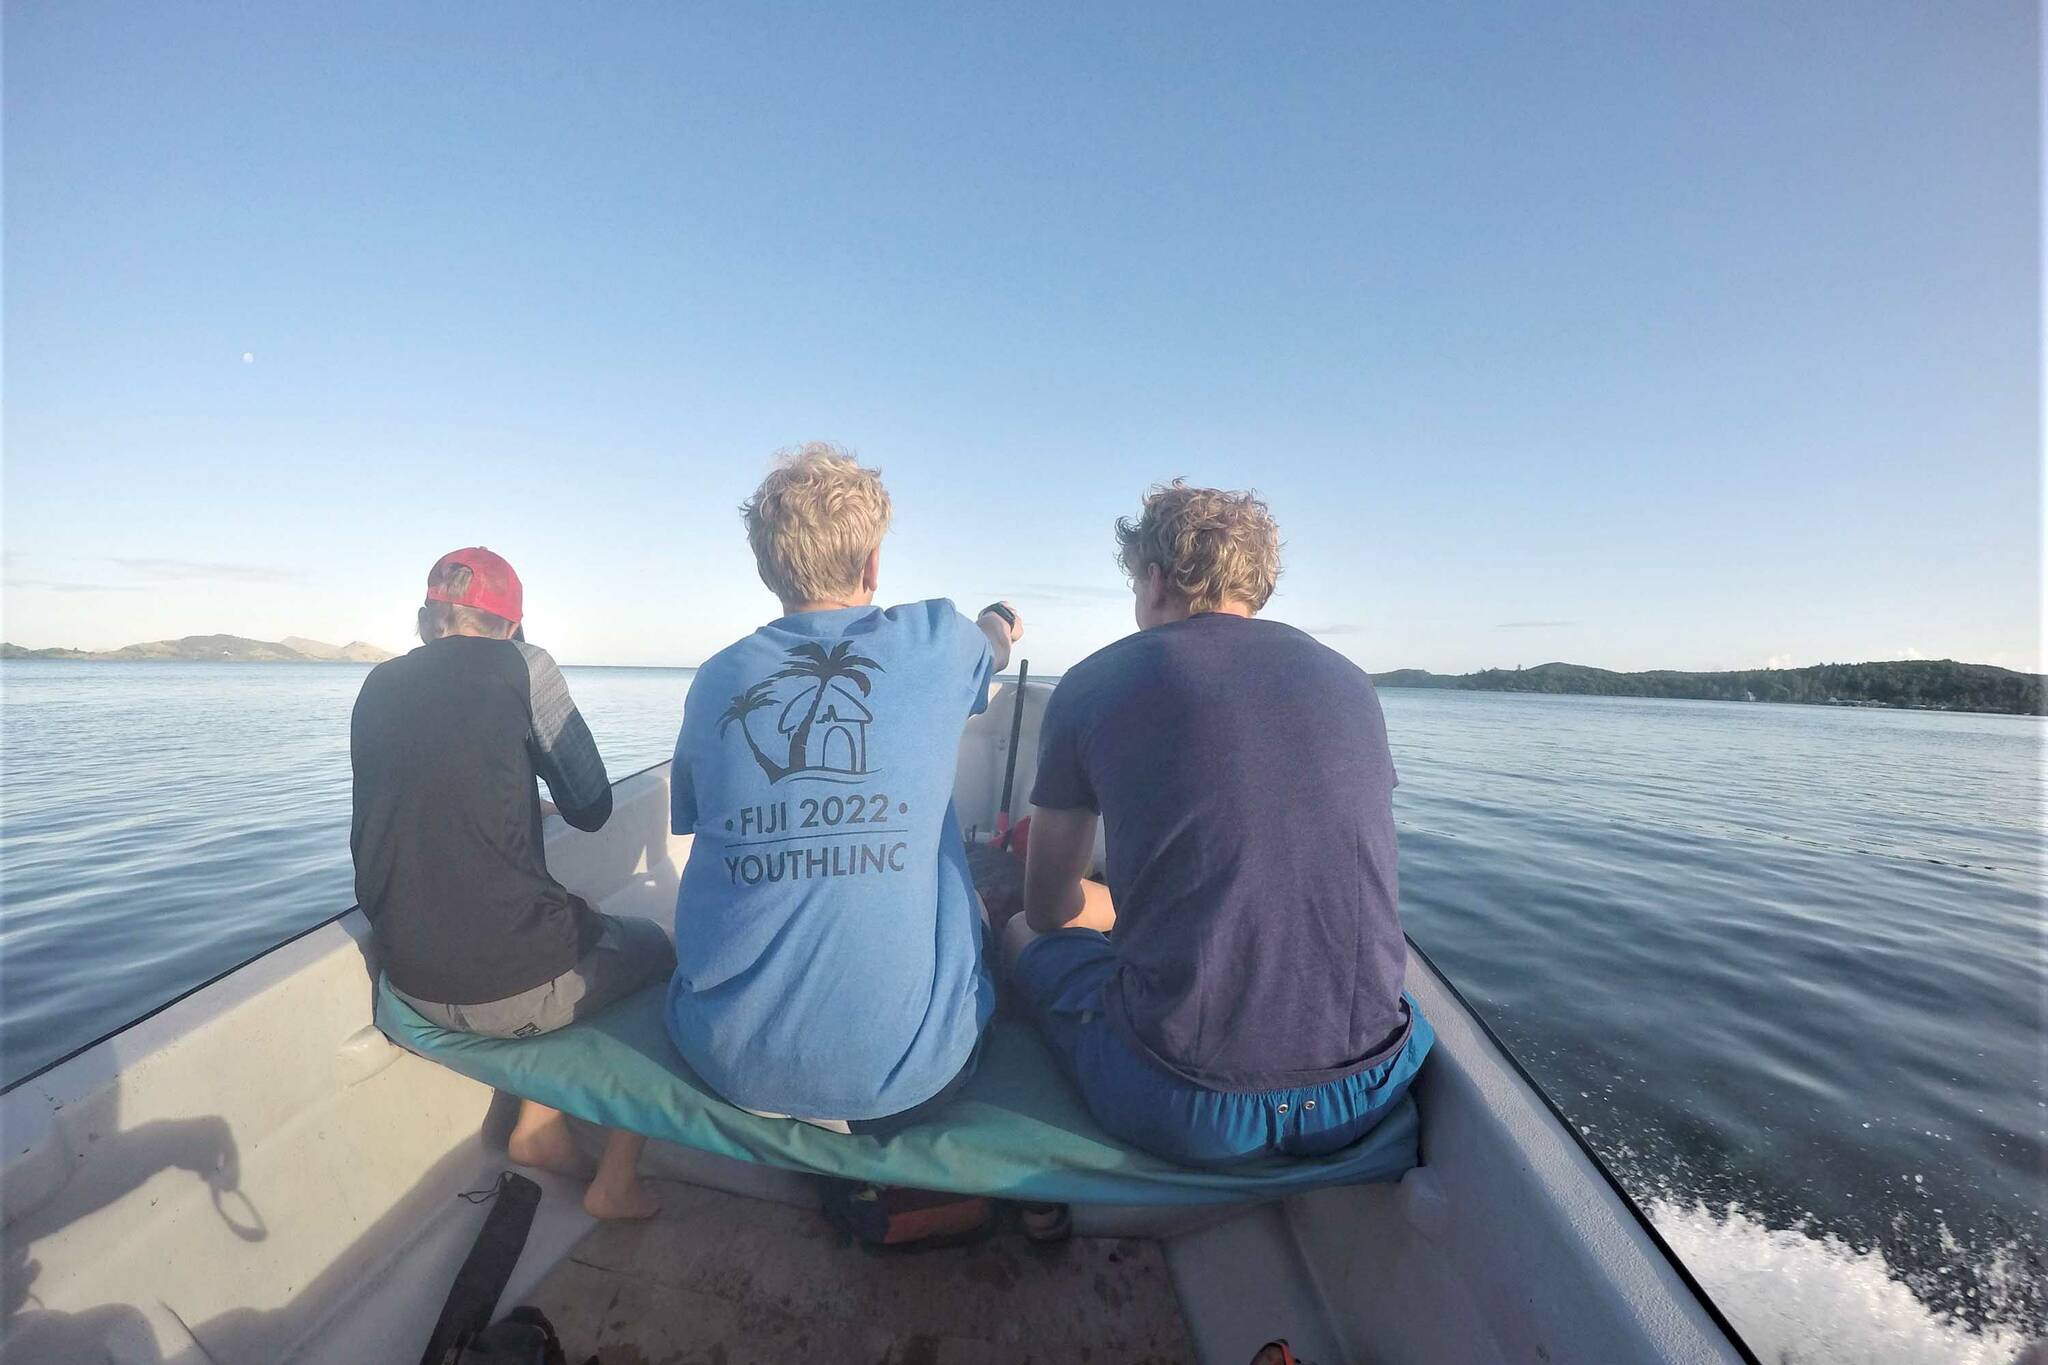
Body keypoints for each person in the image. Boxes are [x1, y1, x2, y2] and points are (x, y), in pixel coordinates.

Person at [1005, 481, 1433, 1166]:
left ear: (1153, 580)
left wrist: (1115, 904)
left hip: (1187, 1106)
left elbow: (1050, 908)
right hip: (1371, 1086)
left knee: (1022, 932)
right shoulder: (1354, 682)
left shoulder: (1092, 683)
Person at [664, 443, 1021, 1133]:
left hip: (728, 1063)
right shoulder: (937, 642)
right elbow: (993, 645)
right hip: (906, 1081)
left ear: (769, 567)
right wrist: (1001, 616)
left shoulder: (717, 678)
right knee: (984, 912)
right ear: (873, 564)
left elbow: (697, 818)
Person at [352, 546, 674, 1219]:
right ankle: (614, 1179)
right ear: (512, 624)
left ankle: (541, 1129)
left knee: (563, 926)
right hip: (501, 988)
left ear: (428, 618)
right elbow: (591, 808)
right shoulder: (526, 667)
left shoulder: (377, 684)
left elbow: (433, 798)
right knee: (659, 956)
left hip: (407, 980)